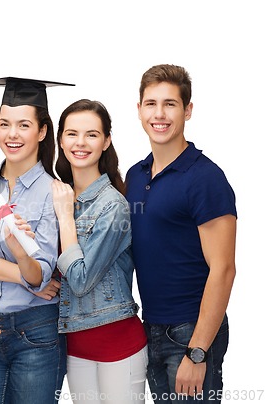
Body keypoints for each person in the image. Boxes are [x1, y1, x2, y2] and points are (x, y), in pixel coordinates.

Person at [125, 64, 237, 403]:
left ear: (187, 110)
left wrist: (198, 351)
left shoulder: (205, 178)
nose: (159, 114)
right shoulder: (134, 175)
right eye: (151, 104)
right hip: (150, 328)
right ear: (139, 110)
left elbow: (224, 269)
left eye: (170, 104)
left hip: (191, 333)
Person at [0, 77, 72, 403]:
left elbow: (40, 271)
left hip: (35, 334)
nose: (11, 134)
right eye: (4, 124)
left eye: (23, 125)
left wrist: (23, 257)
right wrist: (24, 278)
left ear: (41, 132)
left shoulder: (54, 192)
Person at [52, 99, 148, 403]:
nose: (81, 143)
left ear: (106, 141)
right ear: (60, 140)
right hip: (74, 344)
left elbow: (80, 280)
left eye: (92, 134)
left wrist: (65, 217)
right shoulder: (58, 194)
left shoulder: (113, 205)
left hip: (117, 342)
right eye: (72, 134)